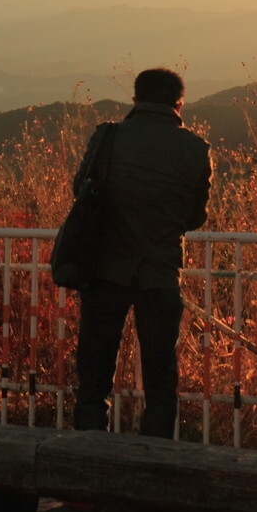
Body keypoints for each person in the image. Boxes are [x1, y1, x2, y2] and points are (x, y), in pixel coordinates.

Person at [72, 67, 211, 437]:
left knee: (94, 373)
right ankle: (155, 459)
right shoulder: (196, 149)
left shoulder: (109, 137)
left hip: (105, 270)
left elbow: (80, 191)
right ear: (180, 103)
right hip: (160, 273)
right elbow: (195, 217)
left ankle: (86, 455)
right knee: (161, 377)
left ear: (135, 99)